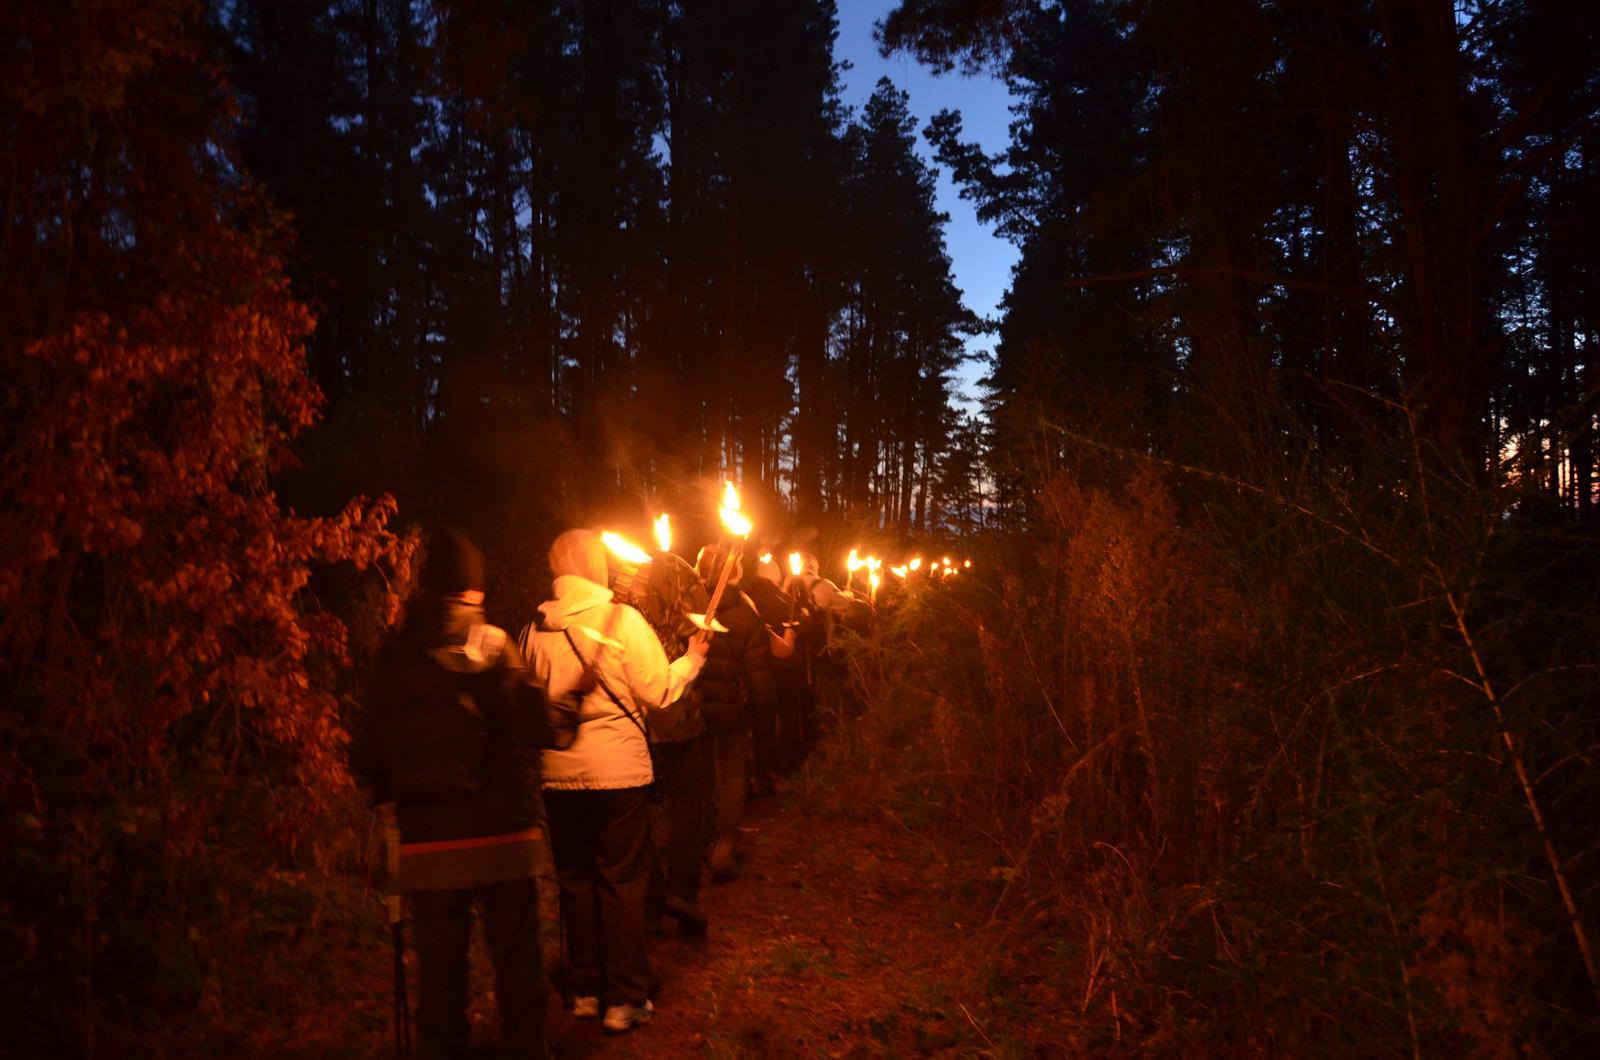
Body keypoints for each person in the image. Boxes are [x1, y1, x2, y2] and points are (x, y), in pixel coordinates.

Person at [352, 528, 567, 1060]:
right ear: (472, 589)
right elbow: (534, 727)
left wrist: (390, 794)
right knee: (516, 956)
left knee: (441, 966)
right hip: (501, 834)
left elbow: (369, 754)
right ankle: (524, 1049)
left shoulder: (396, 657)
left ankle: (443, 1049)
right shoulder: (492, 644)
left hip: (428, 844)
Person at [521, 529, 707, 1035]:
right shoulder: (622, 620)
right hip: (618, 776)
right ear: (592, 566)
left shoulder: (535, 630)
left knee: (576, 882)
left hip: (560, 776)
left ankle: (585, 990)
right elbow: (658, 690)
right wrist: (693, 658)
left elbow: (530, 706)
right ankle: (624, 997)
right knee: (622, 883)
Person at [694, 543, 778, 880]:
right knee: (731, 776)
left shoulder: (686, 608)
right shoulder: (745, 615)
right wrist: (763, 716)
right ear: (736, 573)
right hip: (731, 711)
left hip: (695, 711)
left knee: (702, 777)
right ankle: (723, 845)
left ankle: (703, 841)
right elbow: (759, 676)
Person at [740, 552, 797, 791]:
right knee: (766, 729)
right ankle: (767, 774)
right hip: (766, 679)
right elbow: (782, 650)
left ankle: (749, 779)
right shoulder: (756, 608)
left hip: (738, 687)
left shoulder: (745, 600)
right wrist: (790, 637)